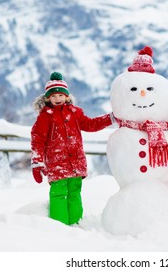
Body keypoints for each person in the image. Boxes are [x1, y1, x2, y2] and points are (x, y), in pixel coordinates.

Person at [31, 72, 115, 225]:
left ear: (67, 97)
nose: (57, 99)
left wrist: (109, 118)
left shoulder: (75, 113)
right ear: (47, 98)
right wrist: (37, 162)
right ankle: (59, 226)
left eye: (60, 95)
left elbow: (91, 124)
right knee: (59, 194)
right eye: (53, 96)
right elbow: (38, 140)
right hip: (57, 165)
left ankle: (76, 224)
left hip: (76, 164)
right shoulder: (45, 117)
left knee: (75, 194)